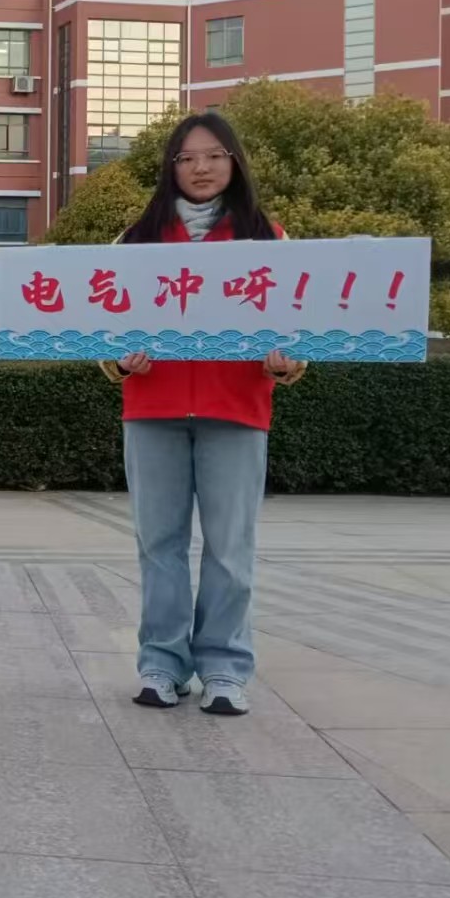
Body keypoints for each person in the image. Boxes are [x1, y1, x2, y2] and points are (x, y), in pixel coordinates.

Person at [101, 111, 306, 717]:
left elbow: (299, 333)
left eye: (214, 155)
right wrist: (120, 363)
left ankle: (224, 668)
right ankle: (162, 664)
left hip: (236, 409)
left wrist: (286, 364)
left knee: (229, 548)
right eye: (187, 158)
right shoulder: (136, 239)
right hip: (153, 409)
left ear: (234, 162)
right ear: (171, 168)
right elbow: (102, 333)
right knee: (158, 544)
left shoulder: (268, 238)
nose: (201, 168)